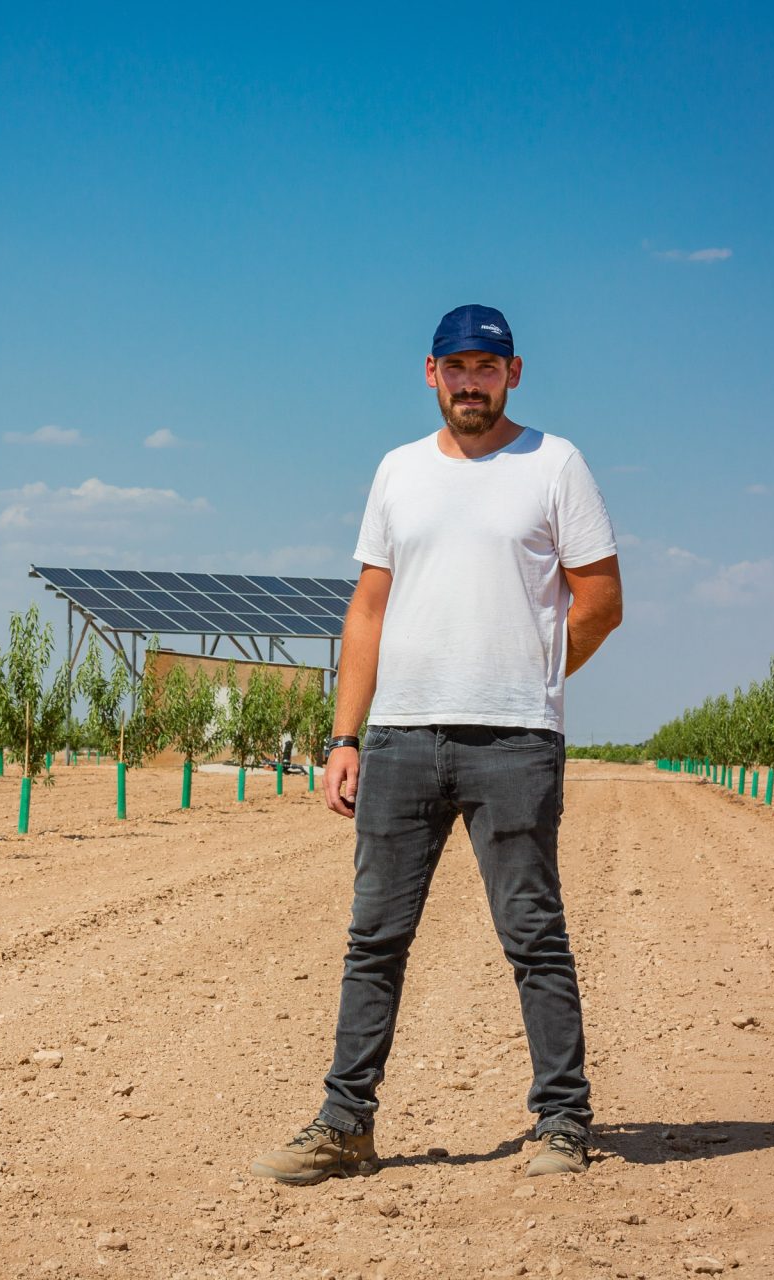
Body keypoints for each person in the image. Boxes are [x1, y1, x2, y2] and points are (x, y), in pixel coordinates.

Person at [252, 304, 623, 1183]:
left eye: (485, 367)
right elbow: (370, 608)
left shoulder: (556, 465)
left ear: (514, 374)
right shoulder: (397, 472)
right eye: (455, 366)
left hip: (515, 742)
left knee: (533, 935)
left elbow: (600, 600)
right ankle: (346, 1124)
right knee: (373, 939)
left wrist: (531, 672)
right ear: (431, 374)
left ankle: (562, 1122)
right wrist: (344, 736)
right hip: (401, 740)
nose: (470, 381)